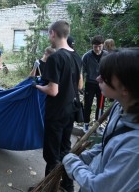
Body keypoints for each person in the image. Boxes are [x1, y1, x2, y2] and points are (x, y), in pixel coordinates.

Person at [63, 48, 139, 191]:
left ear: (126, 89)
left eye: (105, 77)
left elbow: (100, 187)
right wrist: (84, 157)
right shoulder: (119, 107)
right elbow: (107, 144)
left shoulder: (134, 147)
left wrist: (73, 164)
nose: (97, 79)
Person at [32, 20, 82, 192]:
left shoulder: (55, 58)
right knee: (65, 151)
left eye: (49, 34)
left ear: (53, 33)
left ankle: (48, 188)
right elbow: (79, 85)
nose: (49, 38)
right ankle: (67, 186)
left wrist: (37, 86)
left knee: (51, 154)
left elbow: (53, 90)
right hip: (71, 111)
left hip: (56, 113)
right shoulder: (76, 56)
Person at [82, 35, 108, 132]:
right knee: (88, 104)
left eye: (99, 46)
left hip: (102, 84)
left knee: (100, 105)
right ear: (92, 46)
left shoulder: (107, 55)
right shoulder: (86, 56)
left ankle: (98, 124)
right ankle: (86, 124)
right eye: (95, 46)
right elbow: (82, 71)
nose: (97, 49)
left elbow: (110, 69)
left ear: (103, 45)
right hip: (90, 83)